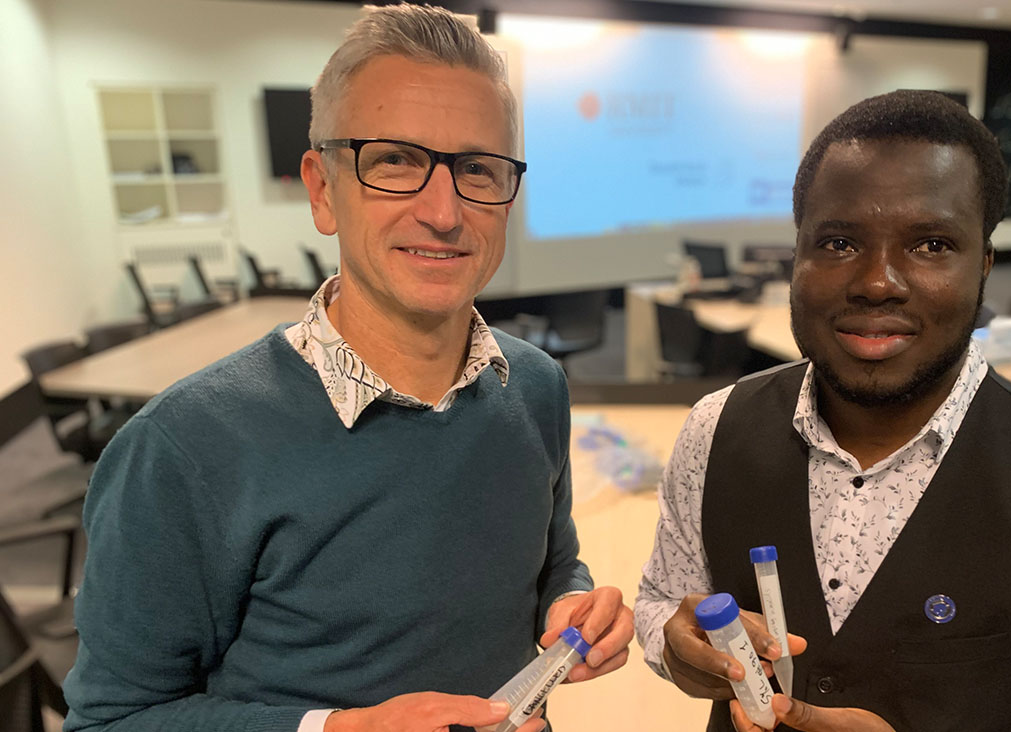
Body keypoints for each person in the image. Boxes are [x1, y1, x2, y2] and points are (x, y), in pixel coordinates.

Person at [63, 5, 632, 731]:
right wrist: (339, 729)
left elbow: (553, 562)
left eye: (478, 170)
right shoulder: (184, 447)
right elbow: (111, 721)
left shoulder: (534, 387)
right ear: (323, 189)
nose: (445, 211)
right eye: (395, 161)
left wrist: (568, 605)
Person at [635, 90, 1011, 732]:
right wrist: (673, 645)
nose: (878, 281)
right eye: (840, 242)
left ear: (982, 267)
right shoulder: (714, 430)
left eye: (930, 245)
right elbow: (660, 601)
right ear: (797, 257)